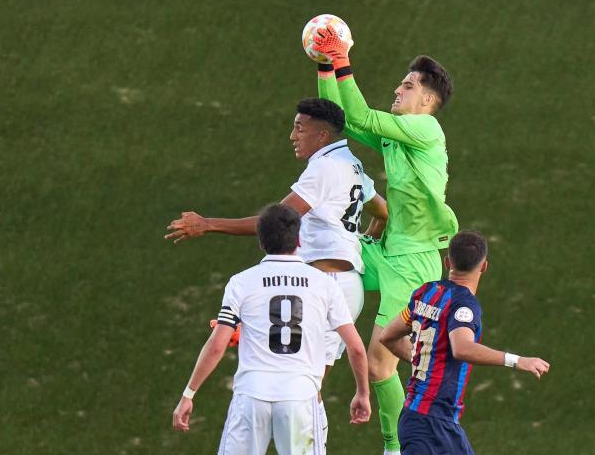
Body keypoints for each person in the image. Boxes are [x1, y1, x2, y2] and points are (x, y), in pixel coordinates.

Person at [165, 97, 387, 445]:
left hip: (325, 282)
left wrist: (207, 224)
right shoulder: (352, 164)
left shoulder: (323, 168)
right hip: (344, 283)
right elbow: (383, 213)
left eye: (300, 128)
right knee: (304, 381)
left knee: (305, 386)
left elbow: (277, 220)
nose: (292, 136)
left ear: (322, 135)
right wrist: (362, 244)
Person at [313, 27, 459, 454]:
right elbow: (344, 119)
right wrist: (325, 67)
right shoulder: (399, 137)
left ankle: (397, 448)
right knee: (325, 255)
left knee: (379, 365)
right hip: (387, 251)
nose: (398, 89)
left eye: (407, 86)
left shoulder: (427, 129)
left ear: (427, 100)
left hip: (413, 261)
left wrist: (342, 59)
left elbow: (363, 116)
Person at [172, 204, 371, 455]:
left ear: (261, 242)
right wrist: (362, 393)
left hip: (251, 395)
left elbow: (216, 345)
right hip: (299, 397)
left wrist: (188, 394)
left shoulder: (241, 282)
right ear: (299, 240)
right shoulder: (325, 285)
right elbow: (356, 348)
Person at [379, 230, 550, 454]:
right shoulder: (464, 304)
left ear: (447, 262)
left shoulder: (425, 293)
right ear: (484, 266)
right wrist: (516, 360)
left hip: (423, 419)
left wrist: (423, 360)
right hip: (432, 422)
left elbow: (387, 336)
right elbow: (462, 348)